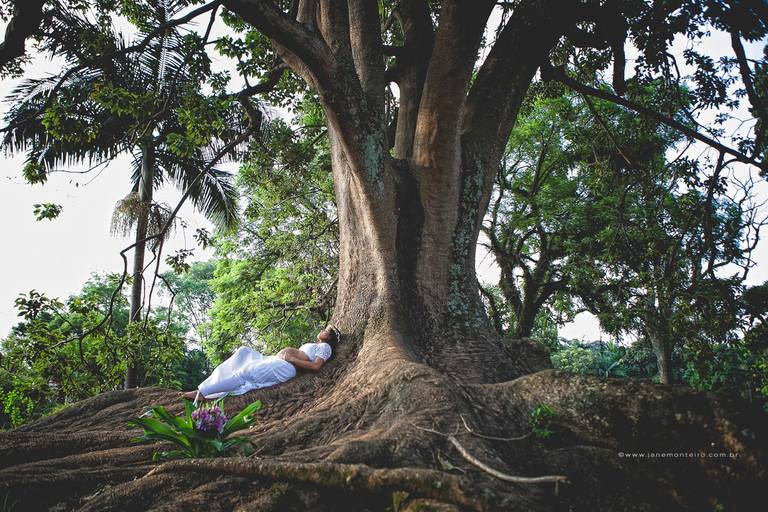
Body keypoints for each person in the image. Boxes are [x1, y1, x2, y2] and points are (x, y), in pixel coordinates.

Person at [181, 326, 340, 401]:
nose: (323, 329)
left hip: (286, 366)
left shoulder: (325, 347)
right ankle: (209, 389)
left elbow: (316, 366)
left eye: (326, 329)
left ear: (329, 337)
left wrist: (292, 359)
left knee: (245, 373)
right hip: (277, 361)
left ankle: (202, 393)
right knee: (244, 353)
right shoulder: (318, 344)